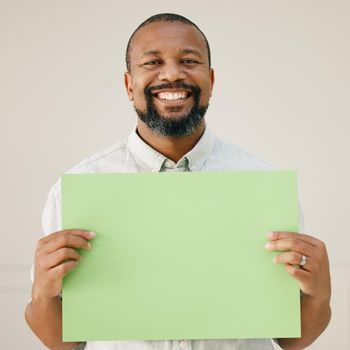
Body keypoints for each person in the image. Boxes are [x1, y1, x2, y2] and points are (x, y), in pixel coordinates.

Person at [25, 13, 331, 350]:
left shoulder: (265, 185)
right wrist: (42, 292)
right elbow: (63, 342)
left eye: (188, 60)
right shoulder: (78, 187)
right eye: (153, 62)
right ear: (129, 85)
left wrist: (318, 295)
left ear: (211, 81)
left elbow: (290, 339)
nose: (171, 74)